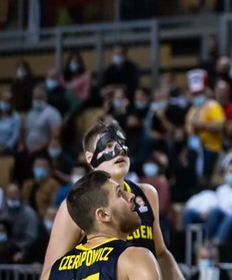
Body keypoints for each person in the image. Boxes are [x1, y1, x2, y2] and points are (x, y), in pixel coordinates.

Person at [42, 119, 183, 280]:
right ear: (90, 158)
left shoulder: (147, 194)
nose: (119, 150)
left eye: (121, 143)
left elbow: (161, 253)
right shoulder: (75, 205)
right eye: (108, 145)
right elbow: (52, 272)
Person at [43, 170, 161, 280]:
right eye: (120, 193)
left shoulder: (52, 273)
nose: (131, 196)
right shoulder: (136, 258)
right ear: (103, 214)